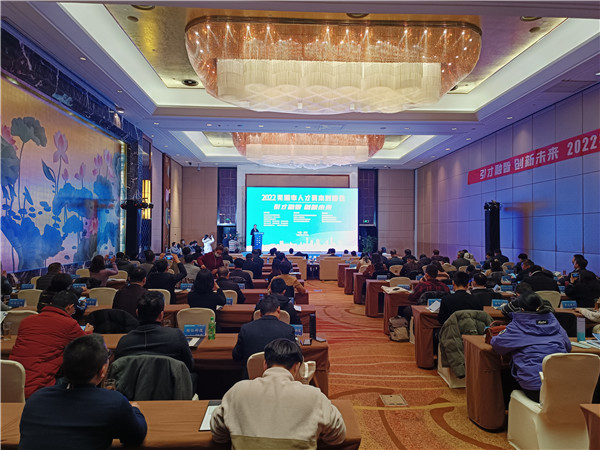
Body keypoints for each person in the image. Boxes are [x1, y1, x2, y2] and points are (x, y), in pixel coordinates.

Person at [19, 334, 147, 450]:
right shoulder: (114, 402)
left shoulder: (36, 399)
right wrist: (134, 410)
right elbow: (136, 436)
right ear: (102, 370)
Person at [212, 338, 345, 448]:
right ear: (297, 367)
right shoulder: (314, 396)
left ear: (265, 364)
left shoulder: (238, 390)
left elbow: (218, 435)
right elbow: (338, 436)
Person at [10, 290, 94, 398]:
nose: (73, 313)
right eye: (74, 310)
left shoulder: (26, 321)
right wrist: (88, 332)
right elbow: (86, 344)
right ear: (70, 307)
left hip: (12, 383)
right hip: (41, 387)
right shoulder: (69, 324)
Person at [491, 292, 571, 402]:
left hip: (535, 388)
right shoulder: (553, 322)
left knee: (505, 375)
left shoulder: (518, 324)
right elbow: (568, 347)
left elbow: (497, 345)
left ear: (521, 308)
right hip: (562, 384)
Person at [114, 291, 193, 371]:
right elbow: (189, 365)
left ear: (137, 313)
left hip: (134, 379)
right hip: (169, 379)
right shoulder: (176, 336)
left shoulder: (124, 342)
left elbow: (118, 369)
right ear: (161, 315)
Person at [232, 296, 296, 378]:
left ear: (260, 313)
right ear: (278, 309)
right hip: (280, 379)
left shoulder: (246, 329)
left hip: (251, 379)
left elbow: (236, 356)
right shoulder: (288, 330)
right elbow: (294, 358)